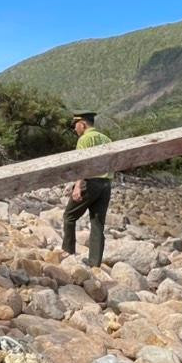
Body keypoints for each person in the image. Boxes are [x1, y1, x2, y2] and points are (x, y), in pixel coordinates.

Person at [62, 111, 113, 268]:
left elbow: (82, 165)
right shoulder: (107, 139)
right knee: (97, 224)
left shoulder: (84, 139)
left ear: (82, 124)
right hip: (106, 184)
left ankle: (68, 253)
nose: (74, 129)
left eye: (75, 126)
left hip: (90, 182)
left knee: (69, 216)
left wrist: (78, 186)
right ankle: (94, 264)